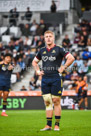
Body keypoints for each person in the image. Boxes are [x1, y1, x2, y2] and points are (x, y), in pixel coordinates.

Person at [32, 30, 75, 131]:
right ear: (44, 38)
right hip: (45, 79)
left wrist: (63, 67)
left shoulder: (59, 49)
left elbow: (71, 58)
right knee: (47, 102)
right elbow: (34, 62)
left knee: (56, 101)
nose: (48, 38)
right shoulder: (42, 50)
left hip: (56, 78)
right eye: (46, 36)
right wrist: (38, 71)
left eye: (50, 36)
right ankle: (48, 125)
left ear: (53, 38)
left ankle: (57, 125)